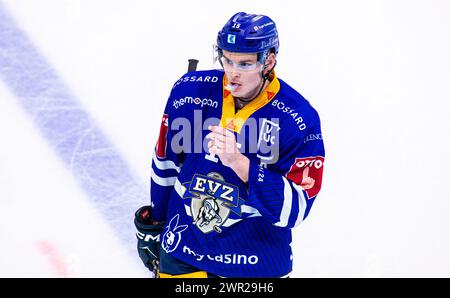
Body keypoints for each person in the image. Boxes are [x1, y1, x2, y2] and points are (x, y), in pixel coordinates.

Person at [134, 12, 325, 278]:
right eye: (227, 60)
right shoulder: (189, 93)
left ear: (268, 61)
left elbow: (296, 209)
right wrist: (156, 220)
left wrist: (240, 163)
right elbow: (166, 162)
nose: (233, 73)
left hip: (255, 265)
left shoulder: (298, 120)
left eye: (245, 64)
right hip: (183, 251)